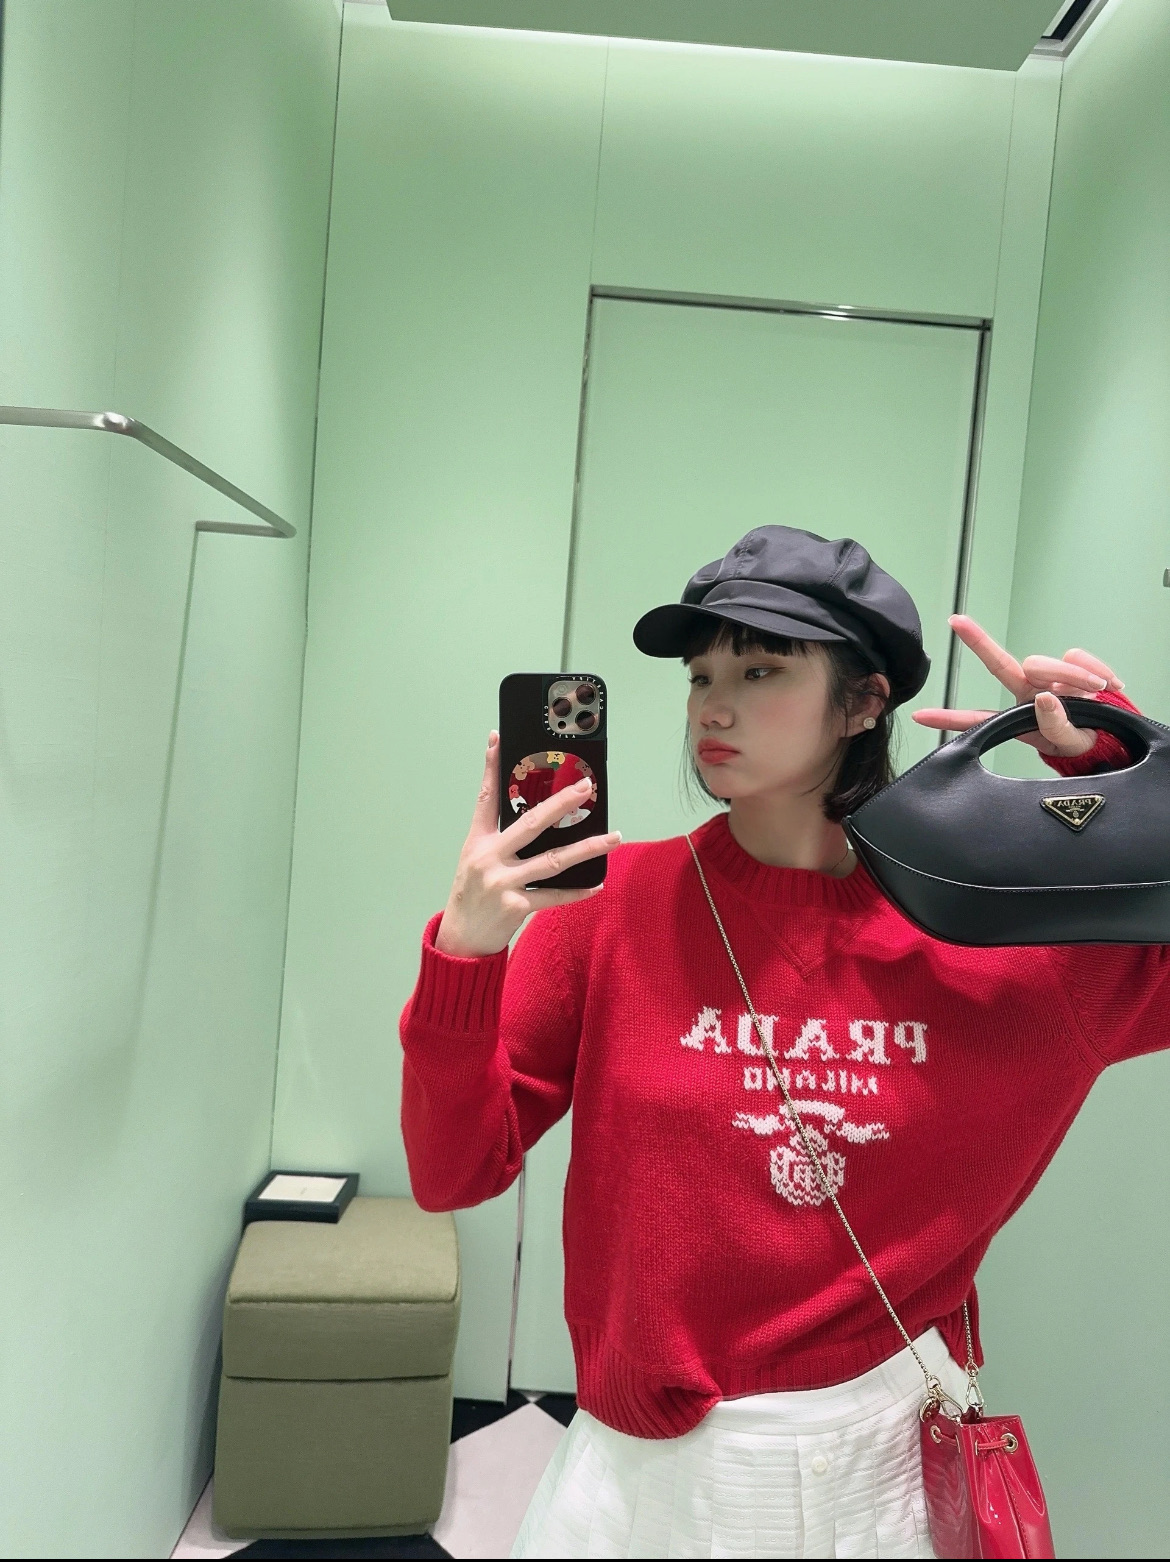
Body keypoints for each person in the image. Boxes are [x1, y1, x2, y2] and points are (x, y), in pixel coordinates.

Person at [398, 526, 1159, 1559]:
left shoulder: (992, 930)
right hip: (644, 1477)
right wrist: (466, 955)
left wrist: (1117, 765)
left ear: (863, 702)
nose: (712, 706)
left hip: (889, 1473)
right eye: (700, 674)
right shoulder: (609, 913)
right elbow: (451, 1172)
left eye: (760, 670)